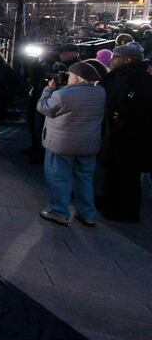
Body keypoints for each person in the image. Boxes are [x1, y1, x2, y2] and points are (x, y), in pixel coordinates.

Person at [36, 61, 106, 226]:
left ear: (77, 78)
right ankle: (87, 213)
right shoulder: (100, 92)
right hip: (88, 145)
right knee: (85, 179)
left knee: (59, 177)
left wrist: (49, 89)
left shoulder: (63, 95)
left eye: (70, 75)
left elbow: (44, 108)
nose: (68, 78)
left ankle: (59, 211)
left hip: (62, 144)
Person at [99, 43, 152, 222]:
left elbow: (141, 107)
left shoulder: (140, 79)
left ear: (128, 59)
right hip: (114, 133)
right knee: (113, 169)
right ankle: (110, 201)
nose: (112, 60)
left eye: (116, 57)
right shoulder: (117, 75)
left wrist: (122, 116)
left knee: (127, 174)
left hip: (131, 136)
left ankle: (126, 211)